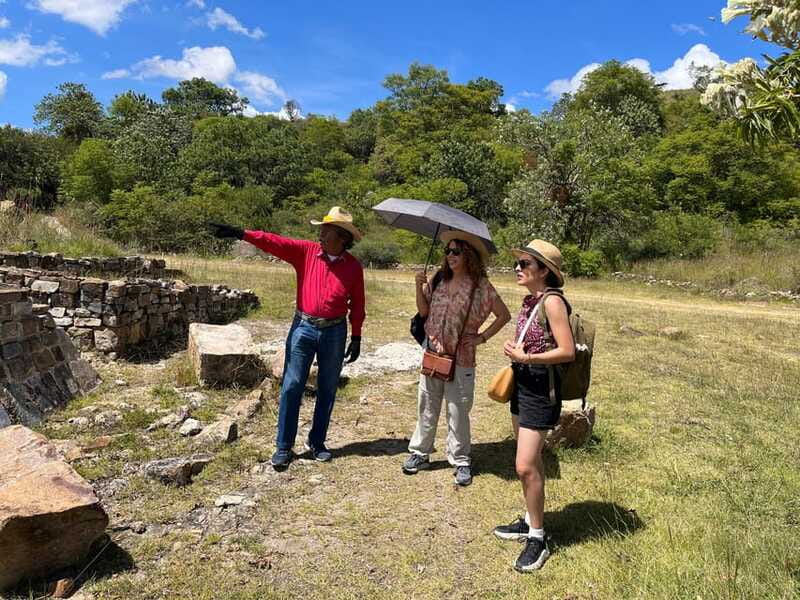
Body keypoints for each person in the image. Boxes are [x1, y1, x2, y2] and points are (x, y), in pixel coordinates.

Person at [208, 207, 365, 470]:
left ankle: (317, 443)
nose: (321, 234)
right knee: (292, 385)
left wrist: (357, 335)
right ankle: (283, 446)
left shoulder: (353, 267)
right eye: (321, 229)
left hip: (335, 331)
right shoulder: (305, 252)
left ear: (342, 238)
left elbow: (358, 304)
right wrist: (241, 234)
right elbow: (274, 242)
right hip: (303, 327)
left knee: (327, 389)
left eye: (326, 231)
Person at [402, 231, 510, 486]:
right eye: (447, 251)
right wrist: (419, 287)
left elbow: (504, 315)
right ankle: (420, 453)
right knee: (427, 405)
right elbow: (423, 311)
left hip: (461, 357)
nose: (450, 256)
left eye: (456, 251)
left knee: (457, 410)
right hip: (432, 351)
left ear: (468, 255)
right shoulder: (439, 279)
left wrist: (481, 338)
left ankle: (461, 460)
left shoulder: (480, 286)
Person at [492, 239, 575, 572]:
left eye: (525, 264)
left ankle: (538, 539)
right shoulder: (531, 300)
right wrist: (517, 350)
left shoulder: (553, 302)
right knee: (532, 460)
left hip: (542, 391)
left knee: (524, 466)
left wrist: (528, 356)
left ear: (544, 271)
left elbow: (567, 351)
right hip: (523, 384)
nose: (518, 268)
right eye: (519, 263)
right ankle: (530, 520)